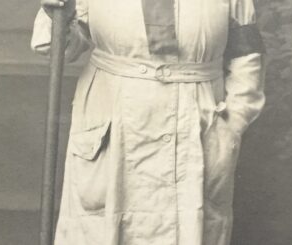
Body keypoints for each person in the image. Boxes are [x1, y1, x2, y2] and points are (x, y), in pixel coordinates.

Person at [31, 0, 265, 244]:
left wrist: (233, 124)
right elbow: (59, 46)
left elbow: (247, 55)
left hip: (196, 123)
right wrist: (56, 14)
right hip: (114, 120)